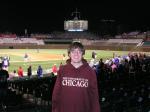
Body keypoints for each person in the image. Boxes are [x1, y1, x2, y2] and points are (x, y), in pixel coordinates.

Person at [52, 42, 100, 112]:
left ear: (83, 54)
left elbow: (94, 97)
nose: (76, 54)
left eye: (79, 51)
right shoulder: (62, 70)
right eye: (73, 51)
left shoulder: (90, 72)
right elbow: (56, 94)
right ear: (69, 54)